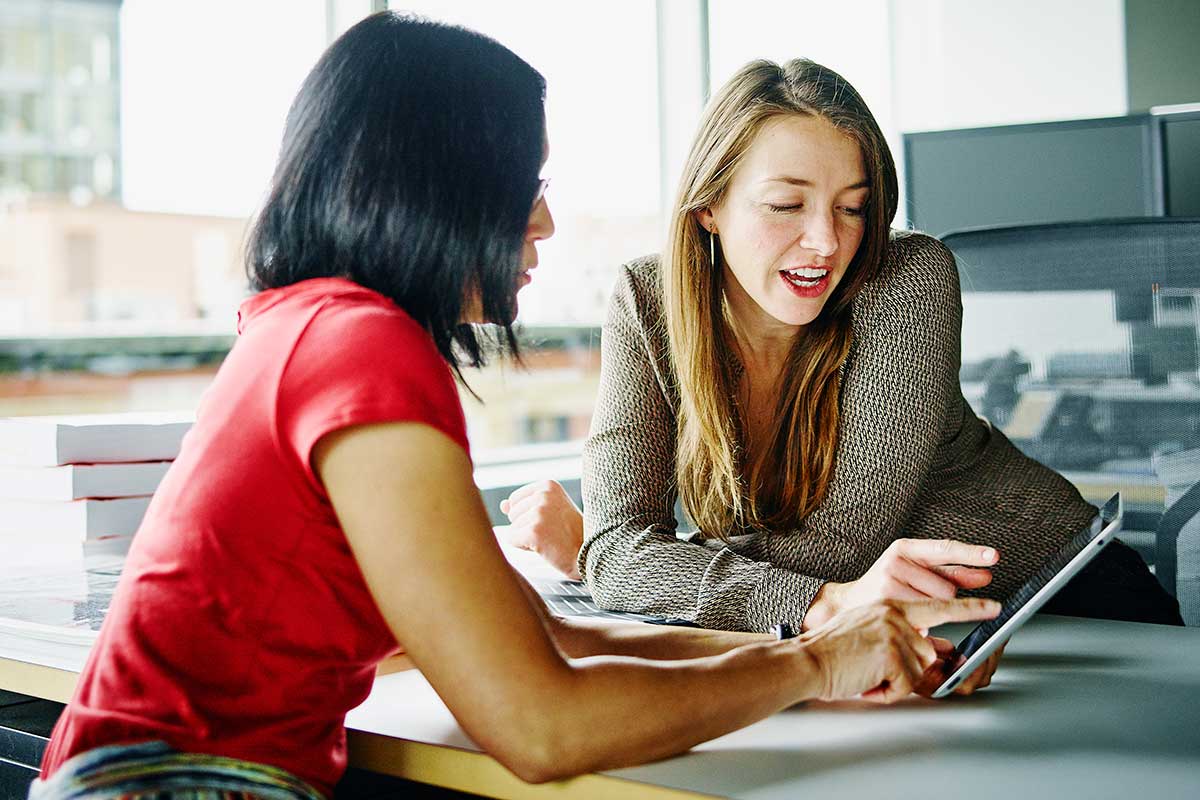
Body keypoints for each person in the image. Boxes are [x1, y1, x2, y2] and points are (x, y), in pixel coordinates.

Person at [31, 17, 1002, 800]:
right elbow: (541, 724)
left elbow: (555, 637)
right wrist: (813, 663)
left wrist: (818, 657)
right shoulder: (363, 350)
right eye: (523, 185)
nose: (541, 220)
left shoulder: (304, 327)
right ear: (437, 186)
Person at [500, 57, 1181, 644]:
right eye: (786, 205)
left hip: (1067, 606)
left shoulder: (906, 278)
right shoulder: (646, 300)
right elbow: (622, 552)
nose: (826, 241)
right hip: (887, 632)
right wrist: (619, 557)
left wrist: (636, 562)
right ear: (710, 206)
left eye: (852, 208)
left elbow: (837, 547)